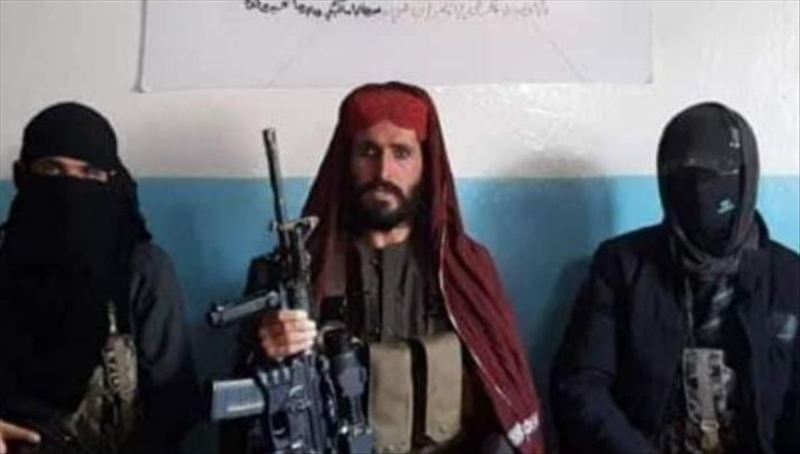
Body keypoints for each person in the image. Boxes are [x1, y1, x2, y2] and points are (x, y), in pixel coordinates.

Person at [228, 82, 544, 453]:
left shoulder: (464, 270)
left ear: (426, 164)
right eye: (368, 151)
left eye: (401, 153)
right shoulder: (293, 274)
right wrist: (267, 350)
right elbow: (246, 417)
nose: (383, 171)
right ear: (347, 161)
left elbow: (506, 406)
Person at [552, 102, 799, 453]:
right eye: (684, 175)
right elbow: (581, 385)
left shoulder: (790, 279)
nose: (699, 190)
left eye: (716, 173)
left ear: (746, 178)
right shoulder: (621, 267)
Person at [0, 102, 197, 453]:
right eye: (51, 170)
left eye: (89, 173)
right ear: (24, 175)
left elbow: (174, 402)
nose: (69, 188)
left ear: (111, 179)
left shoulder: (142, 270)